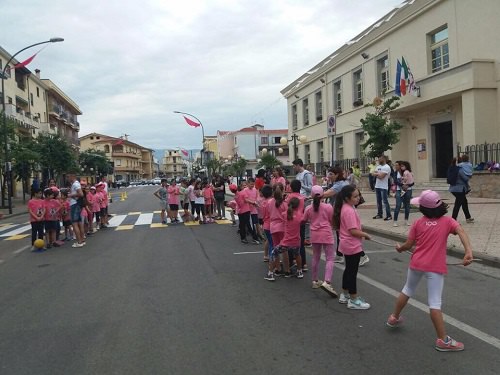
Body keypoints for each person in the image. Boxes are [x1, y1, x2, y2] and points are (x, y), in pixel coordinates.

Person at [386, 190, 473, 352]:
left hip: (417, 263)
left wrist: (400, 249)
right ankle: (442, 340)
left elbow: (408, 244)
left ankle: (394, 318)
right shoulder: (448, 221)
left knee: (407, 289)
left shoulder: (418, 223)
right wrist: (468, 251)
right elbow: (461, 231)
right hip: (434, 267)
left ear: (424, 209)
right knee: (434, 302)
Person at [333, 185, 371, 309]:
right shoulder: (348, 210)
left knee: (348, 270)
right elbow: (353, 231)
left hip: (348, 244)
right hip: (351, 244)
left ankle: (345, 294)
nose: (358, 198)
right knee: (352, 272)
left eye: (358, 195)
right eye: (355, 196)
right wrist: (365, 234)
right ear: (346, 198)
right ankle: (353, 299)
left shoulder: (347, 207)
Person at [303, 185, 337, 296]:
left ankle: (315, 280)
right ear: (323, 194)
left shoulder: (308, 208)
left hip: (315, 235)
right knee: (330, 258)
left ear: (311, 195)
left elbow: (304, 220)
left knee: (316, 257)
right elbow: (332, 220)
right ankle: (327, 281)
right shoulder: (328, 207)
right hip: (326, 234)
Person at [448, 158, 474, 223]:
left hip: (453, 189)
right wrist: (469, 176)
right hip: (460, 189)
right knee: (458, 204)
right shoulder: (460, 170)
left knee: (464, 202)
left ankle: (468, 217)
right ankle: (453, 220)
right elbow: (465, 179)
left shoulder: (451, 168)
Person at [393, 161, 414, 227]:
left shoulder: (407, 172)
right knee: (398, 205)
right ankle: (395, 221)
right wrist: (402, 185)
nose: (395, 166)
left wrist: (408, 186)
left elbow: (412, 182)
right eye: (395, 165)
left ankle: (406, 220)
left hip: (408, 190)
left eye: (397, 165)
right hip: (399, 190)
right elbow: (395, 181)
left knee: (407, 205)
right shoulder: (395, 173)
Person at [67, 172, 85, 247]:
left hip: (75, 204)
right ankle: (82, 239)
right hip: (76, 204)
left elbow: (81, 194)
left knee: (75, 223)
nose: (67, 179)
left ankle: (79, 241)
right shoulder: (76, 184)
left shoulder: (75, 184)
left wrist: (70, 195)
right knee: (79, 222)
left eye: (68, 177)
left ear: (72, 176)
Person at [372, 155, 392, 221]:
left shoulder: (387, 167)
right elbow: (373, 173)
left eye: (379, 159)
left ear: (383, 159)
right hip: (377, 186)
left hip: (384, 187)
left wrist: (377, 174)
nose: (378, 160)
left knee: (385, 201)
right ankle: (379, 214)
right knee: (378, 201)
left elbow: (381, 177)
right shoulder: (378, 166)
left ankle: (389, 215)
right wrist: (378, 174)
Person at [28, 187, 45, 251]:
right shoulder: (31, 201)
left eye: (41, 193)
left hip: (41, 219)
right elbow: (30, 211)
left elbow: (44, 209)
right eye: (39, 193)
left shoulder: (42, 201)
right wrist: (36, 217)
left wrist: (41, 216)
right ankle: (33, 245)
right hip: (34, 220)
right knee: (34, 233)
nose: (40, 195)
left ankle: (41, 245)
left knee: (41, 232)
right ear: (35, 194)